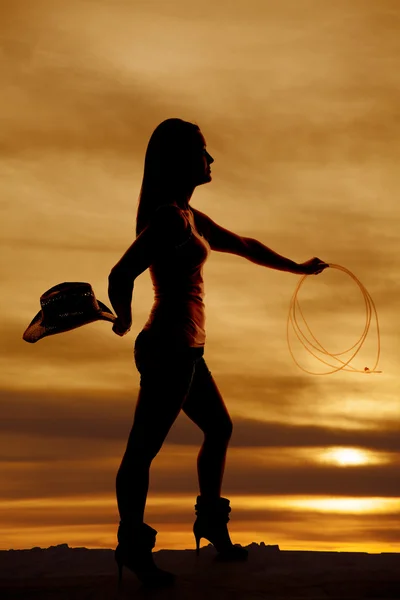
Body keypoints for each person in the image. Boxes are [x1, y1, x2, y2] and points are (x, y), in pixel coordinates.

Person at [108, 118, 329, 589]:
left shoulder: (187, 216)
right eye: (202, 151)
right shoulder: (168, 217)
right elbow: (119, 273)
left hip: (188, 348)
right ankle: (132, 548)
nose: (210, 160)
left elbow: (243, 244)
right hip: (168, 346)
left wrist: (295, 267)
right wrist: (124, 319)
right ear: (179, 160)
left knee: (219, 427)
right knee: (142, 450)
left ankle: (210, 523)